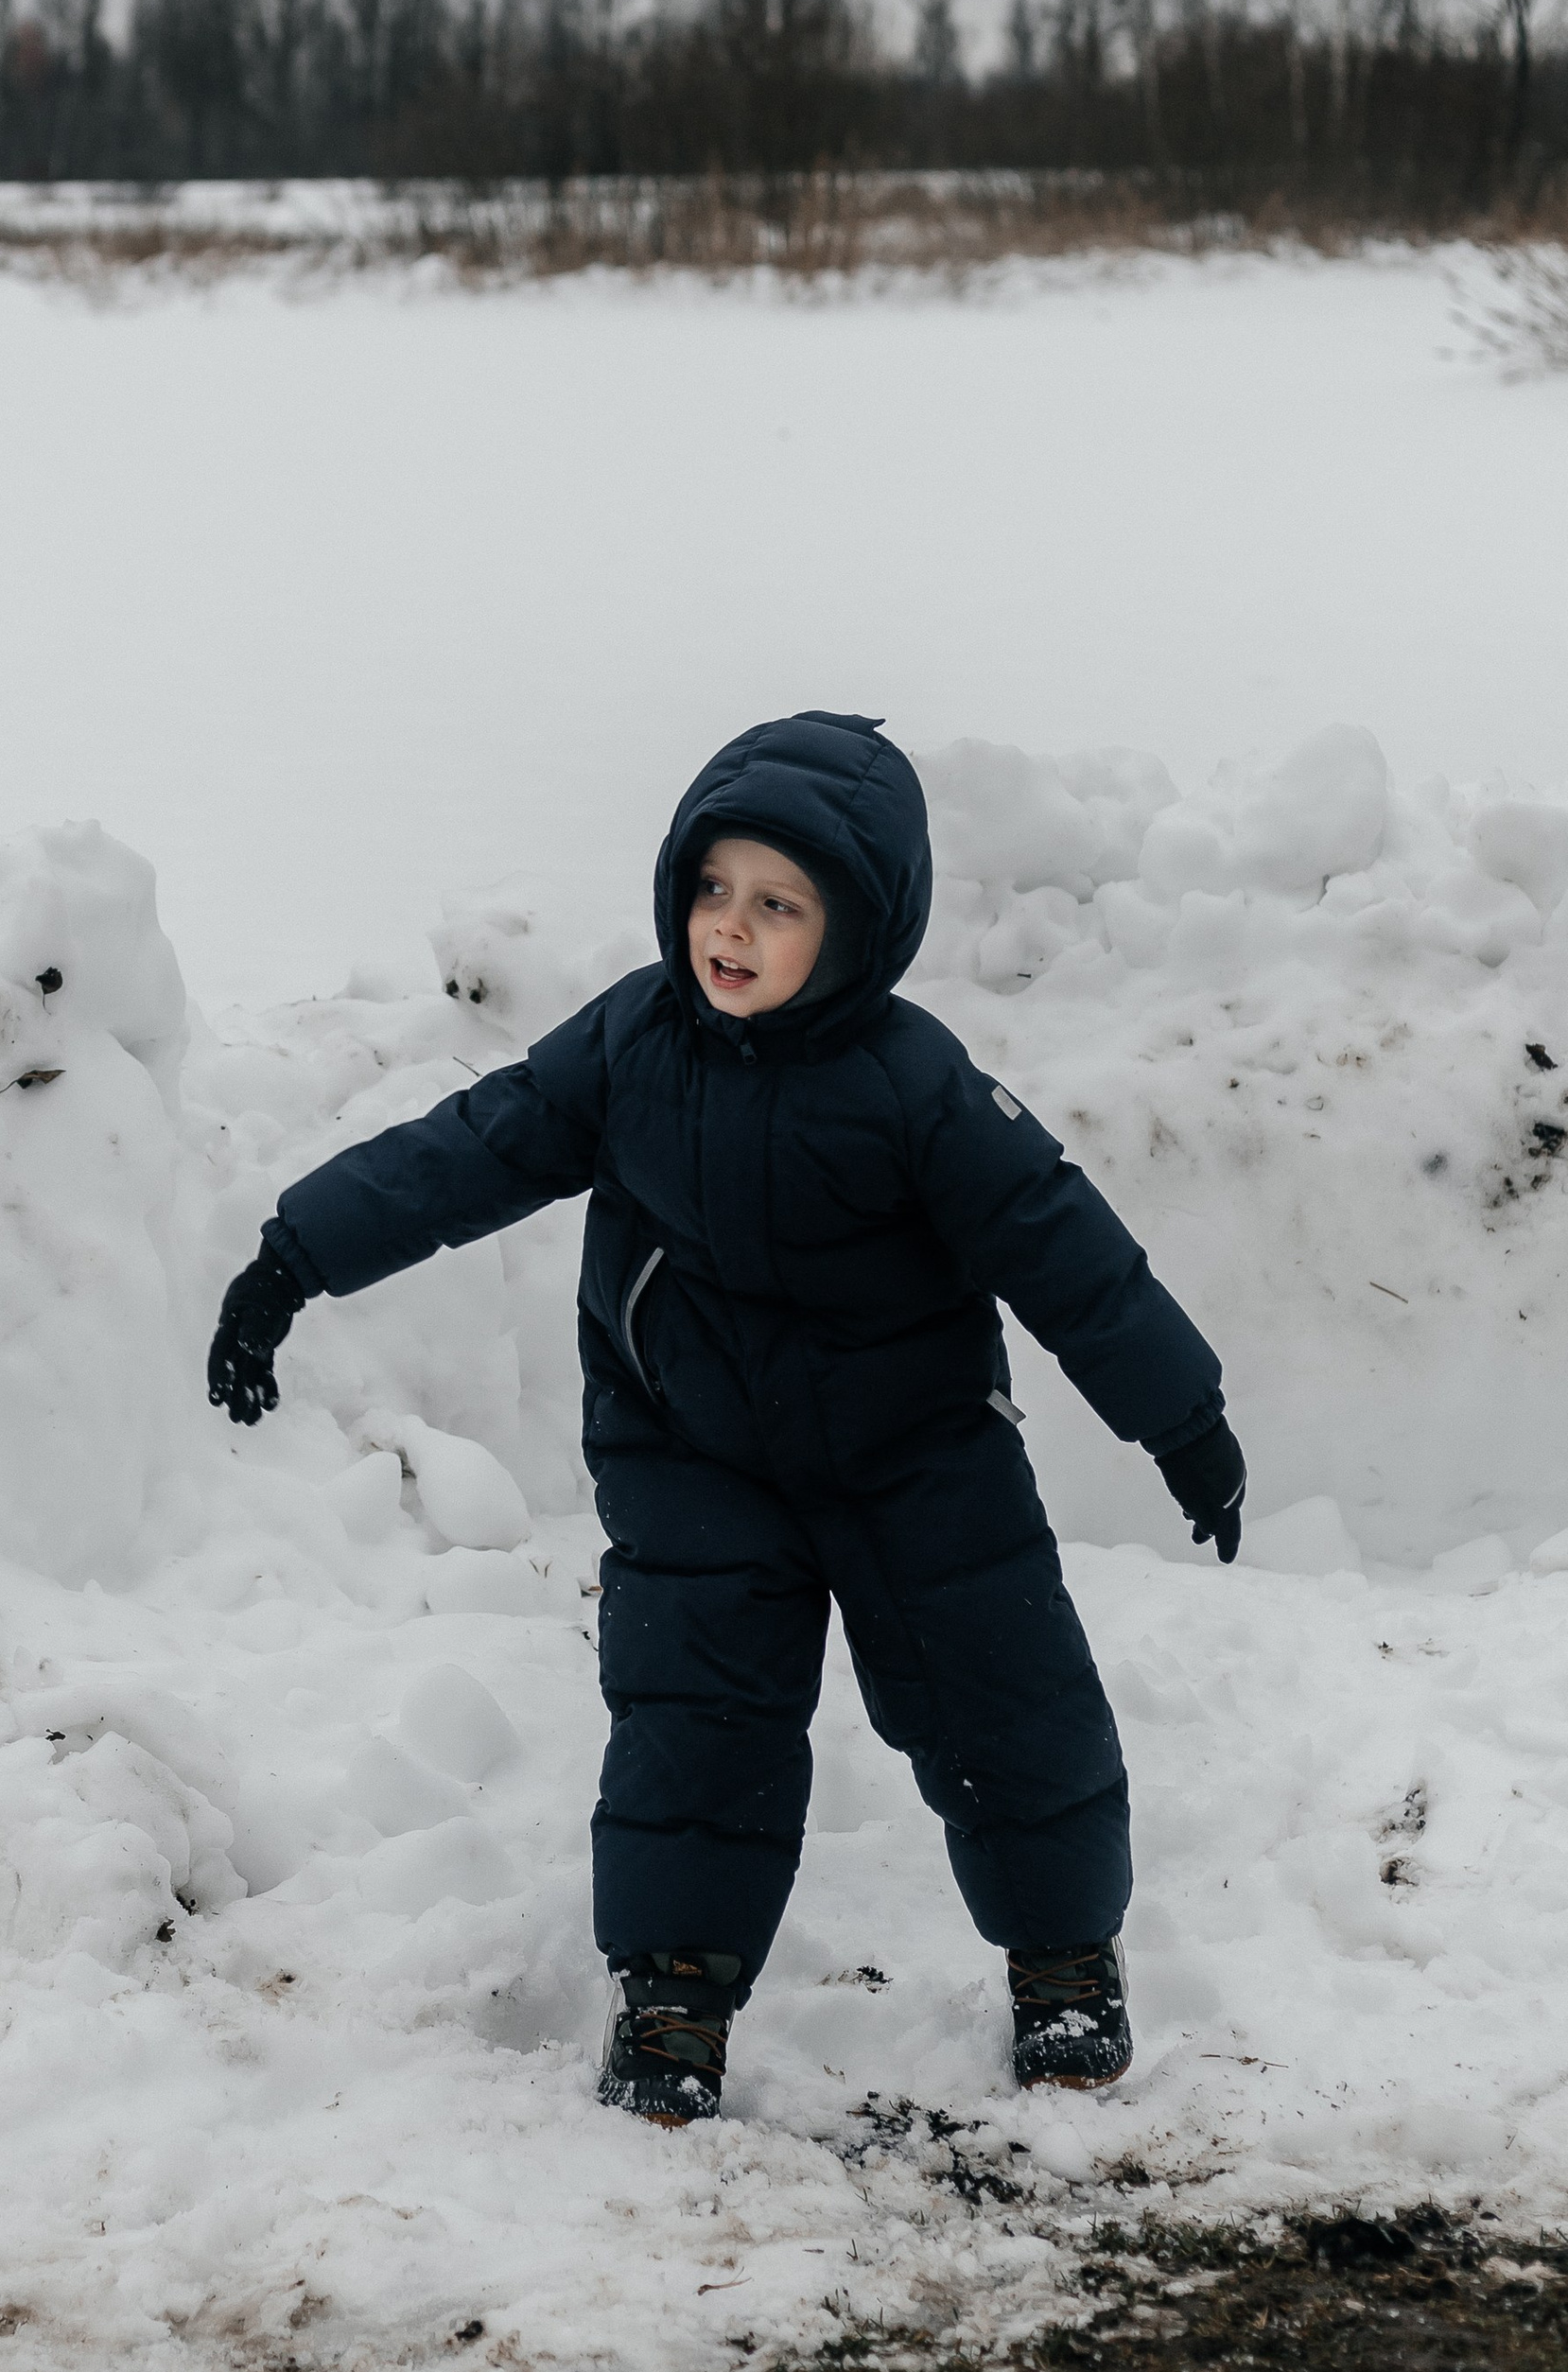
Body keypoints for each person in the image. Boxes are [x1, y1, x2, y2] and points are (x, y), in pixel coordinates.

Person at [206, 711, 1245, 2125]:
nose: (731, 931)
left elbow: (1063, 1243)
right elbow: (473, 1147)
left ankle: (1064, 1957)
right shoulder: (634, 1043)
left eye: (778, 904)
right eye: (713, 891)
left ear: (859, 928)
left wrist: (1180, 1419)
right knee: (698, 1720)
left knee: (1007, 1695)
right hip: (694, 1450)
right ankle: (676, 1990)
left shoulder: (914, 1082)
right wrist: (293, 1259)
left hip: (914, 1448)